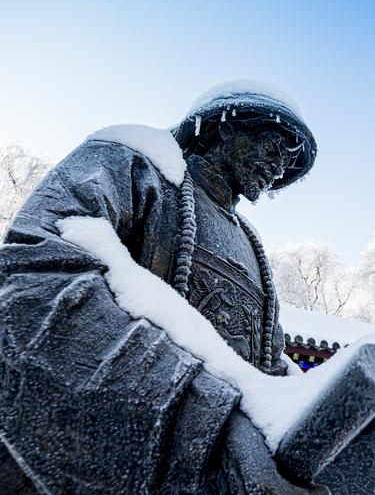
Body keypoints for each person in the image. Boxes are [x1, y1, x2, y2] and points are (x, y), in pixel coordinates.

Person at [0, 81, 318, 493]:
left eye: (287, 160)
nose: (278, 167)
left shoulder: (254, 249)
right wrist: (205, 413)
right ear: (225, 127)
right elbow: (34, 277)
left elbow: (269, 369)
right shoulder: (130, 163)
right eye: (274, 146)